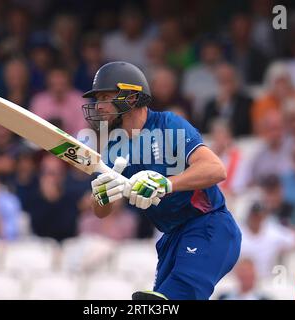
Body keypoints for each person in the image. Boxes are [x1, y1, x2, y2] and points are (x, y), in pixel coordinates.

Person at [81, 61, 241, 300]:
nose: (99, 106)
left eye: (105, 97)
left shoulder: (168, 125)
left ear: (132, 97)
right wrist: (101, 196)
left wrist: (166, 184)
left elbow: (216, 169)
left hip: (207, 226)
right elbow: (102, 212)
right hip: (170, 240)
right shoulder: (112, 147)